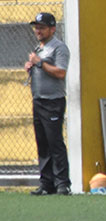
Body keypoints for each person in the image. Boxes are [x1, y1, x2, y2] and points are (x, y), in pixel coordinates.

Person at [26, 12, 71, 196]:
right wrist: (31, 67)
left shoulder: (59, 48)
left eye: (42, 27)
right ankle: (46, 183)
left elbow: (60, 72)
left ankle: (62, 184)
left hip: (53, 102)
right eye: (36, 27)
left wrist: (39, 63)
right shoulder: (39, 48)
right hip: (38, 100)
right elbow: (41, 68)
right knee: (42, 143)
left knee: (55, 142)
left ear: (52, 29)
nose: (38, 31)